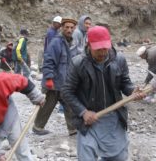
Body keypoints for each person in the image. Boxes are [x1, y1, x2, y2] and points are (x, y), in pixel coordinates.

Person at [62, 26, 146, 161]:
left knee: (118, 157)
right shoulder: (78, 63)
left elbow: (125, 83)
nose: (102, 52)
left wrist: (132, 91)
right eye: (98, 49)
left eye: (105, 48)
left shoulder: (119, 60)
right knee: (86, 157)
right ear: (89, 45)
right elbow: (66, 92)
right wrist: (83, 112)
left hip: (113, 118)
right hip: (89, 120)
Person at [32, 18, 77, 136]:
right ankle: (38, 127)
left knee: (69, 104)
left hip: (64, 82)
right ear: (62, 28)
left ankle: (73, 129)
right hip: (54, 82)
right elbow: (48, 60)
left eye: (71, 28)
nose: (69, 30)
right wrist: (49, 78)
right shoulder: (56, 42)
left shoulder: (69, 42)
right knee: (47, 106)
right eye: (67, 27)